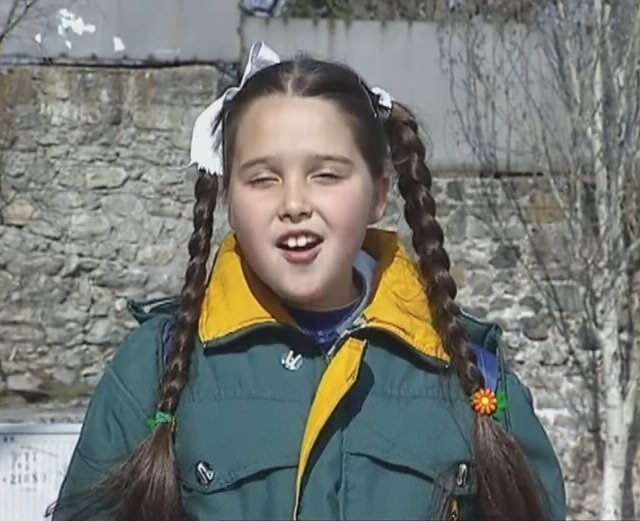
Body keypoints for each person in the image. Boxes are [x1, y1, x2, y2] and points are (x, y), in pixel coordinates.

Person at [51, 41, 566, 521]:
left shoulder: (471, 377)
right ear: (229, 200)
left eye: (326, 175)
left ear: (378, 195)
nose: (294, 204)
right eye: (263, 178)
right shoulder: (156, 368)